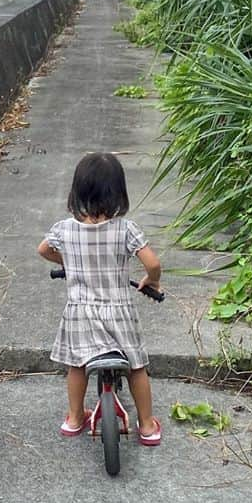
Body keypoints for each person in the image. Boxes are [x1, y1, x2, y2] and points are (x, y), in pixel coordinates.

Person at [37, 152, 163, 446]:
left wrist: (66, 261)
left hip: (80, 314)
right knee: (136, 367)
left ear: (76, 190)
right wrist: (152, 280)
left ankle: (74, 418)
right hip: (119, 314)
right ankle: (146, 425)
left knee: (77, 365)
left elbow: (43, 250)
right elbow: (153, 264)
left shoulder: (64, 229)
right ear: (118, 192)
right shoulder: (126, 229)